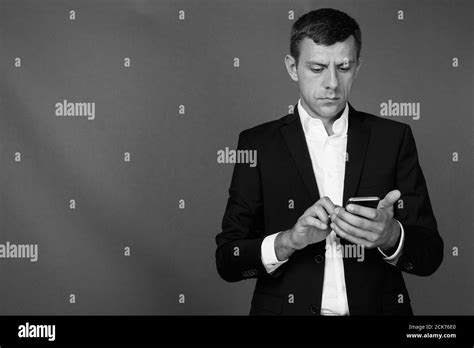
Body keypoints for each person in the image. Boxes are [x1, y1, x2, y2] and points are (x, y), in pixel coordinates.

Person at [215, 8, 443, 315]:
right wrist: (288, 240)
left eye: (344, 67)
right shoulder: (257, 144)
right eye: (318, 68)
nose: (332, 83)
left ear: (357, 66)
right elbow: (228, 260)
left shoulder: (394, 138)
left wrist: (391, 236)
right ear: (292, 67)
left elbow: (430, 255)